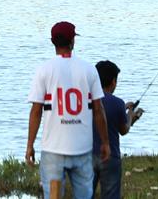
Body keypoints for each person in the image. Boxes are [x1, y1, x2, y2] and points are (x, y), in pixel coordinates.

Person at [26, 22, 110, 199]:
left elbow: (36, 111)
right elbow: (98, 110)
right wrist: (105, 142)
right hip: (82, 148)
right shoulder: (89, 69)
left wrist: (30, 145)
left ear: (52, 42)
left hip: (53, 149)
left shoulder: (43, 70)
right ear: (73, 41)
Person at [92, 60, 142, 199]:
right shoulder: (117, 103)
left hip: (87, 155)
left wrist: (124, 109)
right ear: (113, 81)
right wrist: (130, 115)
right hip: (110, 157)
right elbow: (124, 130)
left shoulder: (86, 100)